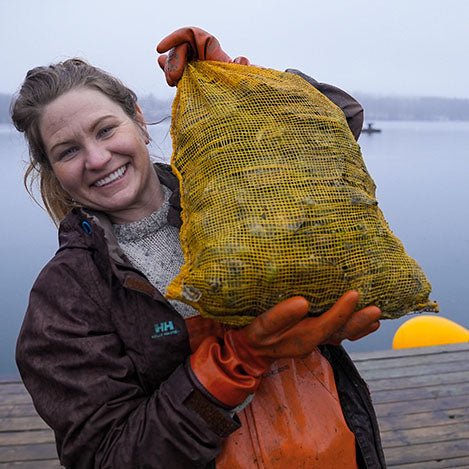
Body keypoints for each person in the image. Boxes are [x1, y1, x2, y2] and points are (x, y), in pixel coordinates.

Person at [13, 26, 386, 468]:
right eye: (68, 151)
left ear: (138, 121)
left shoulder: (234, 189)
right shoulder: (66, 297)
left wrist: (242, 87)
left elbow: (341, 120)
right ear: (53, 171)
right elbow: (108, 457)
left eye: (105, 129)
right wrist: (233, 365)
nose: (96, 159)